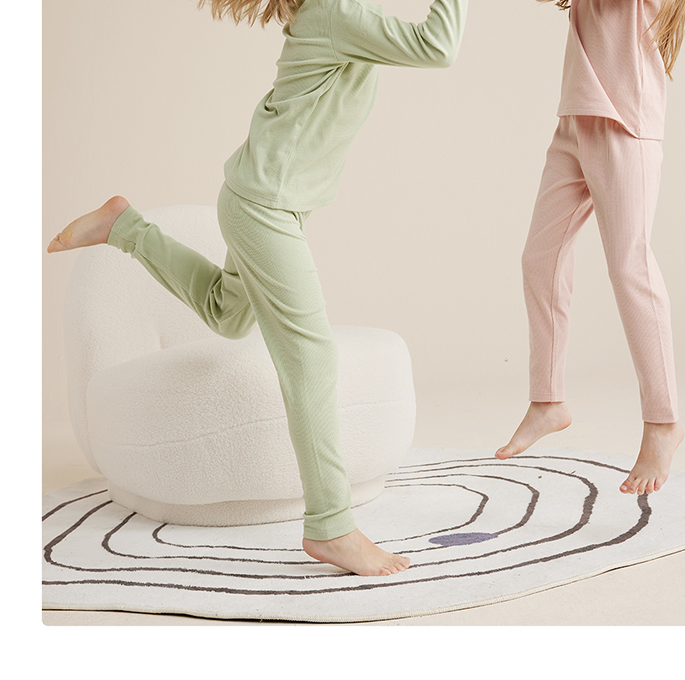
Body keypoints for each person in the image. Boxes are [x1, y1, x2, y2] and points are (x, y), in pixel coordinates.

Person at [47, 0, 468, 576]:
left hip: (264, 201)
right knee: (312, 357)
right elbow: (439, 46)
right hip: (265, 207)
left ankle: (125, 227)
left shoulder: (337, 13)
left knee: (227, 313)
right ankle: (332, 527)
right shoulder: (333, 12)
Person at [496, 0, 685, 496]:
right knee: (539, 259)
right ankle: (548, 401)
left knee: (630, 267)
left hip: (625, 124)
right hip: (575, 119)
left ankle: (663, 421)